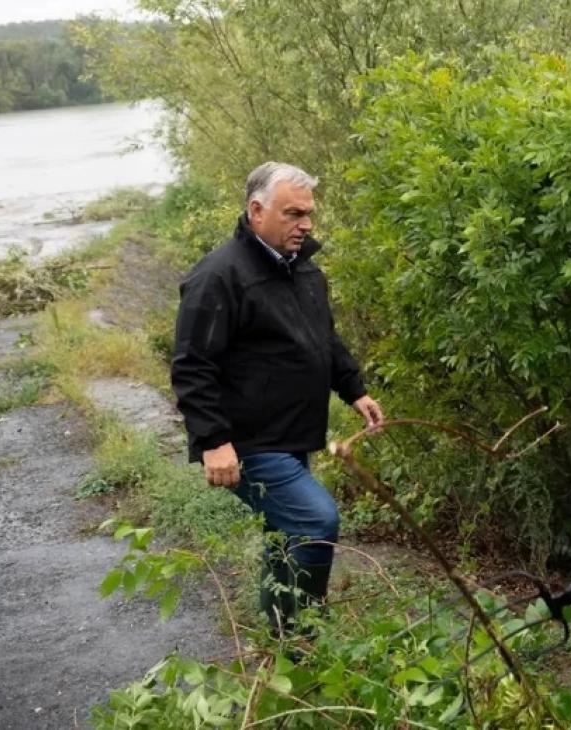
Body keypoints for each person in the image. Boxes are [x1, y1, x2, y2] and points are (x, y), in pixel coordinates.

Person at [171, 161, 384, 638]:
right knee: (315, 517)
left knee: (283, 536)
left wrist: (355, 390)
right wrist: (213, 441)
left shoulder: (303, 271)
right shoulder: (218, 276)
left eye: (308, 214)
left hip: (290, 435)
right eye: (292, 213)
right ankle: (305, 633)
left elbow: (322, 340)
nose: (305, 224)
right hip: (249, 442)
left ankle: (281, 637)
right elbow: (192, 364)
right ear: (256, 211)